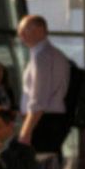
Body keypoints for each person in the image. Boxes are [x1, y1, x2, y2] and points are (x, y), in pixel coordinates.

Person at [16, 15, 72, 157]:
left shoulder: (43, 56)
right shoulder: (52, 54)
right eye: (20, 30)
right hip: (52, 119)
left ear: (40, 30)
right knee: (50, 165)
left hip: (43, 121)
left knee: (39, 167)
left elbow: (39, 99)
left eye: (25, 29)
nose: (20, 34)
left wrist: (26, 131)